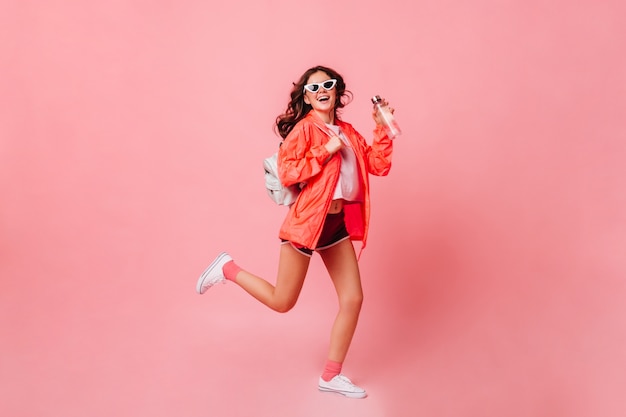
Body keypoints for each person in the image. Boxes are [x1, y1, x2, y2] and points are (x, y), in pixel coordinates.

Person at [196, 65, 394, 399]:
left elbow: (378, 165)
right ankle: (227, 268)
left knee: (353, 298)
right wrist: (325, 151)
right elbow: (288, 172)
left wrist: (381, 129)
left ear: (336, 90)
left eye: (327, 85)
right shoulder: (304, 130)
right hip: (306, 224)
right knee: (282, 301)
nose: (321, 91)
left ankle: (331, 377)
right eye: (312, 87)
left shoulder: (346, 130)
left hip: (334, 225)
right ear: (305, 95)